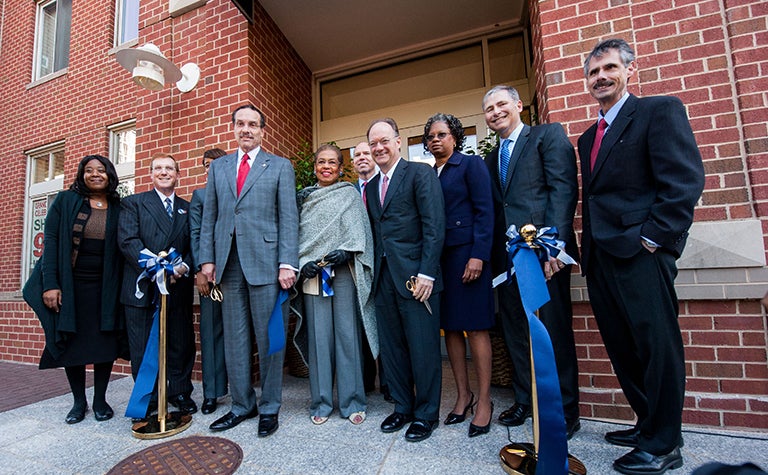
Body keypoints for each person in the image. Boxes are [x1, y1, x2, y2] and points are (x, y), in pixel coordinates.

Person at [578, 38, 704, 475]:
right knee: (623, 348)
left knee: (657, 348)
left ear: (630, 70)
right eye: (593, 73)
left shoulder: (658, 111)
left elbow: (683, 183)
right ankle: (648, 423)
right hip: (601, 259)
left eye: (609, 68)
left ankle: (665, 444)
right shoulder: (588, 137)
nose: (601, 78)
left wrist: (652, 239)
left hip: (641, 255)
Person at [482, 85, 582, 438]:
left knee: (553, 332)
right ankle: (526, 399)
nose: (495, 112)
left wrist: (555, 247)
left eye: (501, 104)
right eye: (489, 109)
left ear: (519, 105)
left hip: (544, 258)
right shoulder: (490, 159)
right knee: (516, 332)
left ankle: (565, 410)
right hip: (508, 262)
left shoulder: (547, 136)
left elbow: (563, 189)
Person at [199, 104, 298, 437]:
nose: (246, 129)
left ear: (262, 130)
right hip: (228, 266)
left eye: (252, 124)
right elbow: (210, 217)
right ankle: (242, 405)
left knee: (270, 338)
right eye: (240, 123)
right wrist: (207, 260)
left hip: (268, 265)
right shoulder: (220, 168)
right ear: (233, 128)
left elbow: (288, 217)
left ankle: (270, 406)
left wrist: (288, 262)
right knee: (236, 340)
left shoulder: (280, 166)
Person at [23, 155, 125, 424]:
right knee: (75, 344)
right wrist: (51, 284)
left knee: (105, 342)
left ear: (109, 175)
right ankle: (79, 402)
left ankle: (100, 400)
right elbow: (52, 243)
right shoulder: (65, 201)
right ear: (81, 175)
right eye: (89, 170)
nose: (95, 174)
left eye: (101, 170)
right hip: (72, 284)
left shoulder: (118, 204)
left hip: (106, 286)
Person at [365, 118, 445, 442]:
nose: (379, 148)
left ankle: (426, 415)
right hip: (383, 278)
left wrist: (427, 272)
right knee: (393, 349)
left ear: (398, 142)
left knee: (423, 349)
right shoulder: (370, 188)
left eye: (384, 141)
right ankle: (402, 407)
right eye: (373, 144)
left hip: (417, 278)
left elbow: (434, 225)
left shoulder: (420, 173)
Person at [423, 113, 495, 437]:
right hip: (441, 262)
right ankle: (463, 396)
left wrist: (479, 255)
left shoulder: (471, 165)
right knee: (450, 329)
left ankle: (485, 401)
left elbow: (485, 211)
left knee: (476, 328)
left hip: (468, 258)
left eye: (442, 134)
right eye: (431, 136)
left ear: (454, 137)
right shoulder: (429, 175)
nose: (436, 140)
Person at [295, 144, 376, 425]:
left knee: (346, 336)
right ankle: (320, 402)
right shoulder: (304, 199)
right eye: (321, 162)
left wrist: (349, 251)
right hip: (314, 275)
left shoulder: (349, 195)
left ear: (342, 168)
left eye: (332, 162)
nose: (326, 167)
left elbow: (361, 234)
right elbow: (298, 236)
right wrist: (301, 262)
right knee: (319, 339)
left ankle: (353, 400)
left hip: (342, 274)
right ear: (315, 166)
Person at [118, 153, 197, 417]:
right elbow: (128, 242)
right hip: (143, 287)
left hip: (177, 286)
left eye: (170, 168)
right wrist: (158, 267)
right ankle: (148, 398)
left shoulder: (188, 208)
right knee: (142, 345)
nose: (164, 173)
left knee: (180, 341)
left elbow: (193, 245)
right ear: (150, 174)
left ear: (178, 174)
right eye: (158, 169)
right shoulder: (133, 204)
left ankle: (180, 391)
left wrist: (182, 267)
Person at [189, 148, 228, 415]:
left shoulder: (237, 192)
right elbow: (195, 233)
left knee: (239, 334)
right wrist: (200, 270)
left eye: (217, 164)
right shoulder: (200, 196)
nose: (211, 168)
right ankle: (211, 393)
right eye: (207, 165)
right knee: (211, 334)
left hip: (238, 274)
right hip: (211, 278)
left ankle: (240, 389)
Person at [352, 140, 390, 401]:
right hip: (356, 268)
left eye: (367, 153)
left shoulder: (384, 185)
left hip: (385, 266)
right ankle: (365, 381)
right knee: (360, 322)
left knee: (386, 325)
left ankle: (389, 382)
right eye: (357, 155)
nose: (363, 157)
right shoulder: (349, 191)